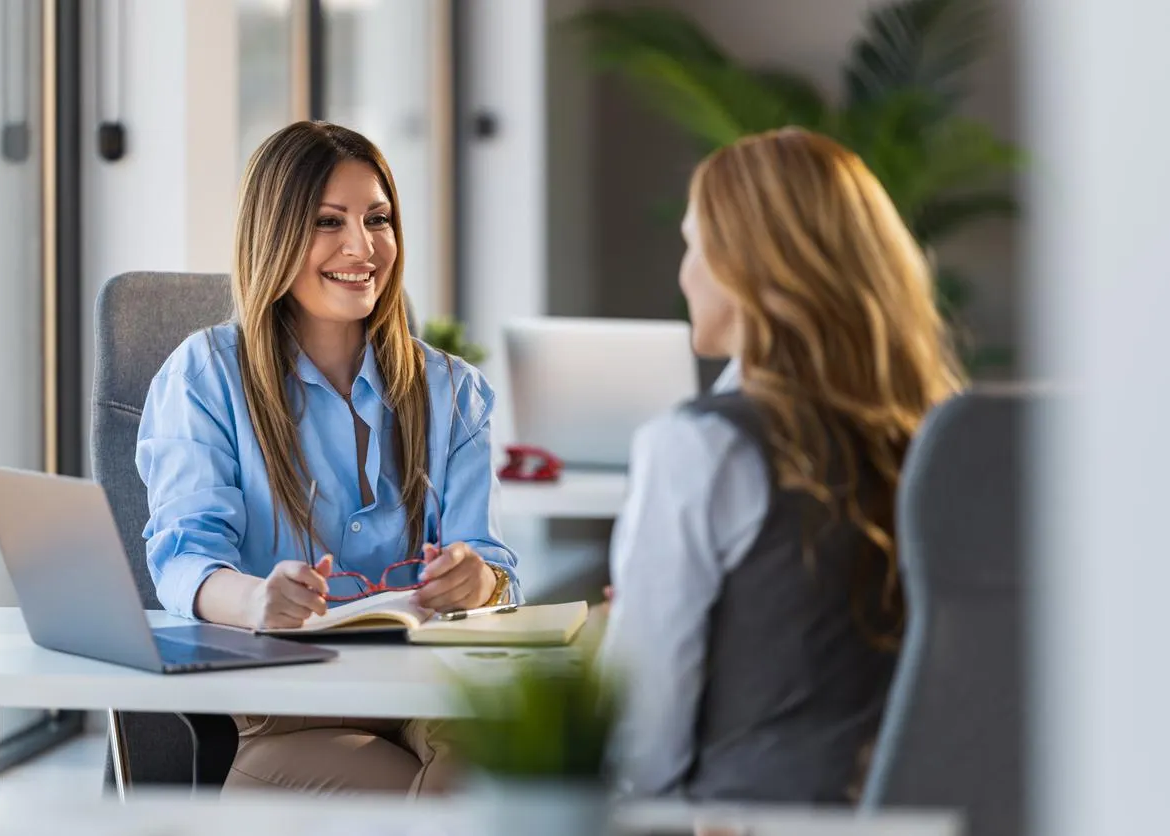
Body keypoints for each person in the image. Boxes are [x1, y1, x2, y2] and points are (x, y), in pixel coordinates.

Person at [135, 121, 519, 796]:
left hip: (433, 696)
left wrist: (476, 580)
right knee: (443, 800)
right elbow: (183, 559)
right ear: (275, 233)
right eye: (326, 221)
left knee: (483, 772)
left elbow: (489, 559)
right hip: (286, 706)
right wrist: (258, 598)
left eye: (377, 218)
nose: (361, 246)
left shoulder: (451, 390)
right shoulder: (206, 375)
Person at [600, 128, 964, 803]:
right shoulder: (940, 437)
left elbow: (641, 747)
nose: (682, 273)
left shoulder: (700, 446)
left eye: (692, 245)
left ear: (744, 264)